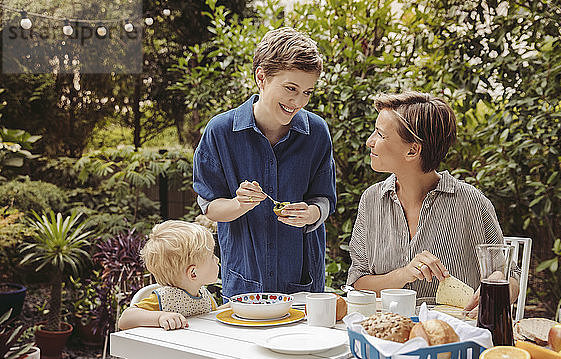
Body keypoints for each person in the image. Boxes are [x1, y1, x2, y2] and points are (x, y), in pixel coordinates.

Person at [346, 91, 519, 315]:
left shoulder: (472, 203)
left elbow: (510, 277)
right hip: (385, 332)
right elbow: (358, 284)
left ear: (412, 150)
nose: (370, 141)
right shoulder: (371, 200)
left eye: (380, 134)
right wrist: (405, 274)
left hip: (455, 337)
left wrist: (497, 284)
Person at [193, 27, 336, 297]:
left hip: (302, 285)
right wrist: (238, 204)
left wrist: (311, 214)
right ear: (262, 77)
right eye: (291, 88)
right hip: (244, 282)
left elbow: (324, 200)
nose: (298, 101)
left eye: (307, 92)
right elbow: (210, 207)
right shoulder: (220, 131)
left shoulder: (317, 132)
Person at [118, 220, 222, 359]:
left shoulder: (204, 295)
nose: (217, 259)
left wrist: (230, 310)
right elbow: (125, 319)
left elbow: (211, 320)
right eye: (212, 256)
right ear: (193, 273)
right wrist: (160, 317)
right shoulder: (162, 298)